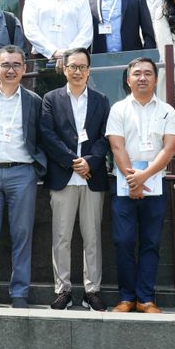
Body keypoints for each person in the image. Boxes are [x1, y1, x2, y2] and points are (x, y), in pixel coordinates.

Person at [0, 45, 46, 307]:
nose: (11, 70)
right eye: (5, 65)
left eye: (16, 65)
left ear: (24, 69)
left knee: (22, 235)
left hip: (22, 173)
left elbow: (42, 138)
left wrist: (38, 168)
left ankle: (19, 293)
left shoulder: (34, 100)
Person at [39, 47, 112, 312]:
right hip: (63, 176)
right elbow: (47, 134)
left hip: (92, 176)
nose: (78, 71)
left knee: (92, 237)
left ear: (89, 70)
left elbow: (107, 136)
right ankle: (64, 290)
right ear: (64, 69)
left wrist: (90, 161)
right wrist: (73, 161)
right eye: (73, 66)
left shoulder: (102, 100)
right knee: (61, 237)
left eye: (82, 67)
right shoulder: (51, 99)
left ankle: (92, 290)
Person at [106, 56, 175, 313]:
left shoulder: (167, 111)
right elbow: (117, 145)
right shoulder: (118, 109)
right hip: (124, 186)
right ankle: (126, 297)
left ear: (156, 79)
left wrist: (143, 177)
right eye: (137, 73)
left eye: (148, 73)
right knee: (123, 240)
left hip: (155, 185)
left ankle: (145, 298)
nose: (143, 78)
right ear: (128, 80)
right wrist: (132, 180)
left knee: (151, 242)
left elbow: (169, 149)